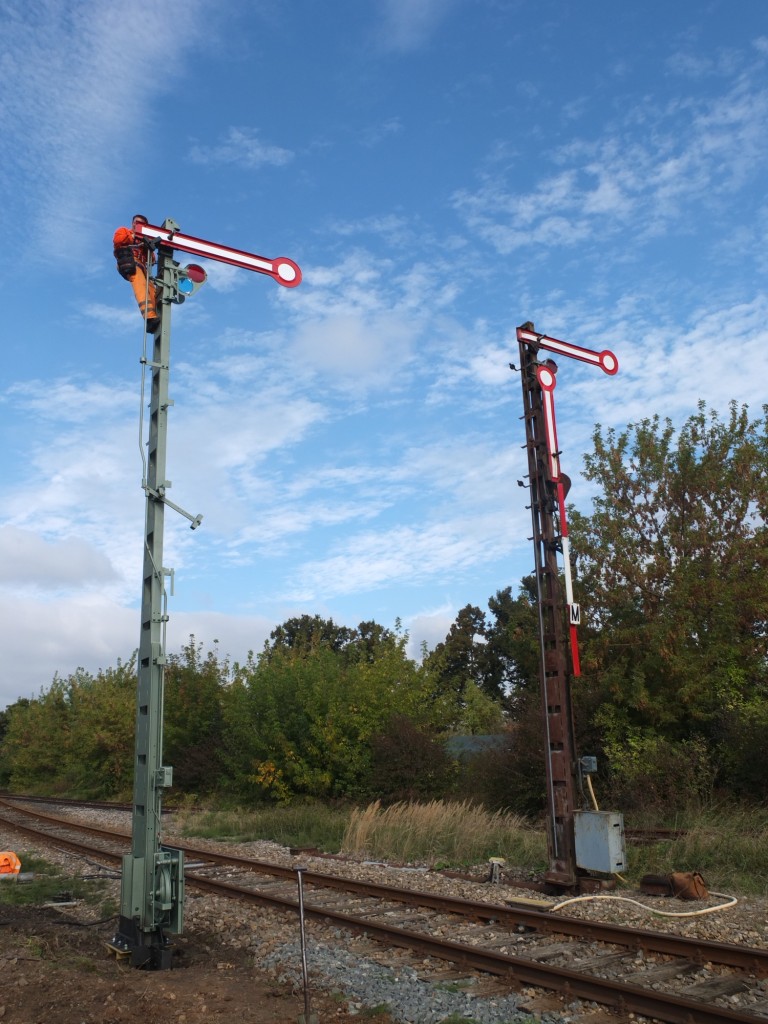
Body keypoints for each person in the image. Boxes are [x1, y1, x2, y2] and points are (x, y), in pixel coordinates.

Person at [113, 214, 160, 333]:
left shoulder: (144, 240)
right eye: (136, 222)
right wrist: (134, 236)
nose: (137, 225)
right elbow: (118, 240)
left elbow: (152, 260)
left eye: (141, 224)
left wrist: (147, 246)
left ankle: (155, 316)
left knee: (153, 291)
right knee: (140, 286)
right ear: (132, 223)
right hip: (130, 261)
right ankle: (149, 317)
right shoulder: (124, 231)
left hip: (143, 266)